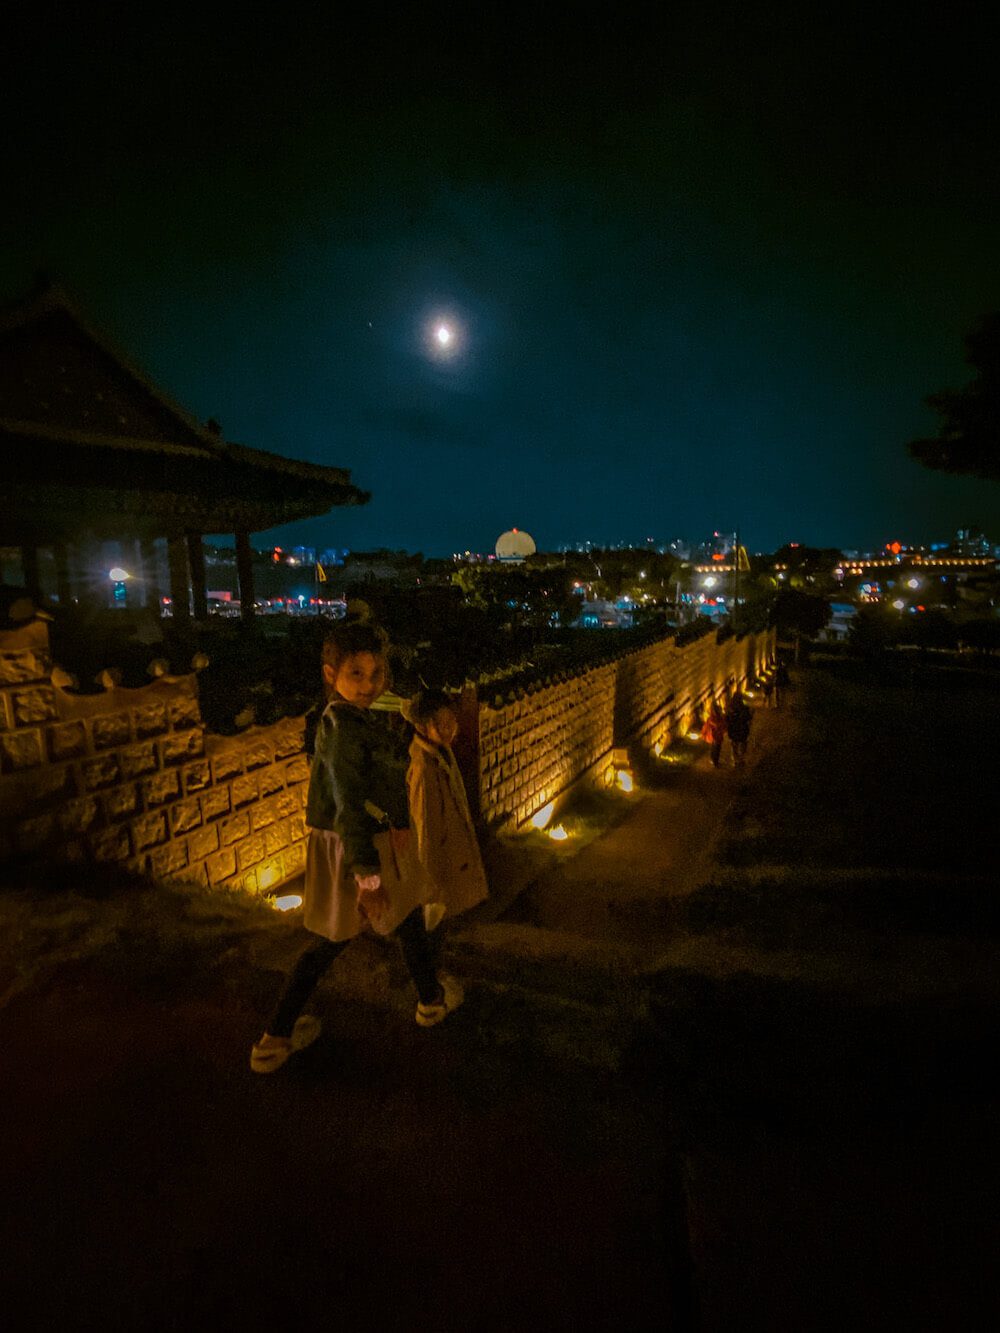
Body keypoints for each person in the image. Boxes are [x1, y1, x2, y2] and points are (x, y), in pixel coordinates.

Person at [250, 622, 463, 1074]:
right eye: (357, 674)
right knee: (332, 940)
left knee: (404, 921)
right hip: (353, 848)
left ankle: (430, 1000)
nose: (369, 685)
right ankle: (274, 1039)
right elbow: (348, 803)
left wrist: (397, 824)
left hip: (371, 840)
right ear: (332, 674)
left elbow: (378, 783)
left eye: (377, 673)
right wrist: (367, 879)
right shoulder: (341, 729)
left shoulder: (354, 720)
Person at [403, 690, 489, 929]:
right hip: (439, 865)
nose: (450, 728)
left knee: (444, 923)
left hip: (451, 854)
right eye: (442, 724)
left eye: (451, 722)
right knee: (435, 924)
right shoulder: (424, 767)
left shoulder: (442, 753)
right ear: (422, 726)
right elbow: (426, 827)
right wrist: (428, 885)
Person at [725, 689, 753, 767]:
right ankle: (741, 759)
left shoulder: (729, 709)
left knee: (734, 746)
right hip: (742, 730)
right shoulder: (744, 708)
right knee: (742, 746)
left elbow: (727, 720)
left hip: (733, 731)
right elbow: (748, 718)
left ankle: (735, 760)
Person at [702, 699, 727, 769]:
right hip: (715, 736)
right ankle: (715, 761)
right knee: (716, 748)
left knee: (716, 748)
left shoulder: (714, 718)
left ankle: (714, 760)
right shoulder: (713, 719)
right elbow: (719, 725)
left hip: (716, 736)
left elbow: (722, 725)